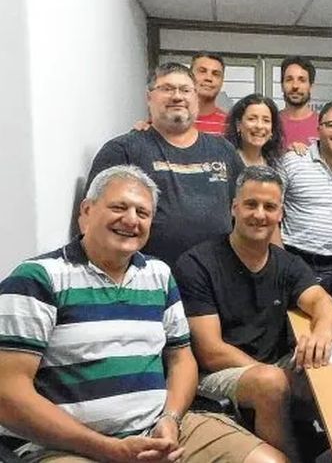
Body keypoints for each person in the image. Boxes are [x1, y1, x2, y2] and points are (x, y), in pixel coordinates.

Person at [0, 165, 284, 462]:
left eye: (142, 213)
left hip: (159, 431)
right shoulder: (37, 279)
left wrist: (171, 419)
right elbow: (8, 394)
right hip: (66, 446)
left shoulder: (158, 274)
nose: (131, 220)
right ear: (86, 211)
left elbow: (181, 359)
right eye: (118, 207)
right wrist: (107, 448)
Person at [174, 166, 332, 459]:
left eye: (269, 207)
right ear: (234, 207)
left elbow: (322, 302)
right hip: (214, 375)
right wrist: (279, 378)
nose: (260, 214)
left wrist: (322, 335)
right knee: (270, 383)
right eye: (251, 204)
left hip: (273, 365)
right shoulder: (197, 264)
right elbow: (210, 352)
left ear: (280, 214)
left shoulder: (287, 263)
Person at [87, 62, 244, 268]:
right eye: (167, 89)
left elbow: (245, 210)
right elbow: (90, 221)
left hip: (215, 278)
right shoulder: (123, 150)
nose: (177, 96)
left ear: (196, 97)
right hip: (146, 280)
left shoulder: (224, 150)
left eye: (185, 90)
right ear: (149, 97)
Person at [280, 101, 332, 279]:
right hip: (294, 261)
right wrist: (280, 261)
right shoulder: (293, 161)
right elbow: (272, 213)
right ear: (318, 129)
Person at [133, 52, 228, 135]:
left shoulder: (230, 125)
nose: (208, 78)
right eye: (202, 71)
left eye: (216, 74)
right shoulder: (165, 120)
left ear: (222, 81)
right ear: (190, 76)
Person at [225, 94, 285, 168]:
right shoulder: (225, 164)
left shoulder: (277, 166)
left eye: (266, 120)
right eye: (252, 119)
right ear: (238, 125)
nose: (259, 126)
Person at [280, 56, 318, 150]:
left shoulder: (323, 124)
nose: (295, 86)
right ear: (282, 86)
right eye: (289, 80)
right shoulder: (270, 123)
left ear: (311, 86)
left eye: (302, 80)